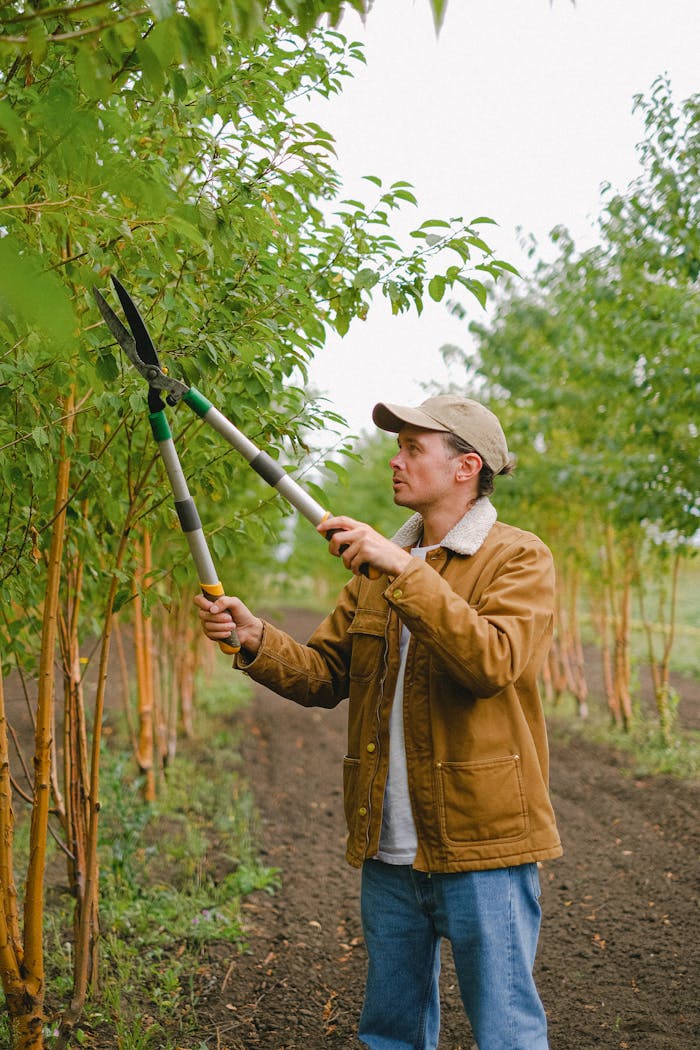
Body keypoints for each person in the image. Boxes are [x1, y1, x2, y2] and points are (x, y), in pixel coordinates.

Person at [195, 394, 562, 1050]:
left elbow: (492, 663)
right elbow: (323, 677)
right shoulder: (373, 572)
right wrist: (255, 638)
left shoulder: (518, 558)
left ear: (465, 467)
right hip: (388, 849)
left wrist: (403, 571)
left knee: (506, 1031)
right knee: (389, 1033)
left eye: (412, 449)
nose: (395, 461)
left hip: (483, 846)